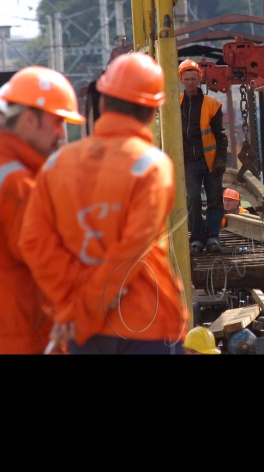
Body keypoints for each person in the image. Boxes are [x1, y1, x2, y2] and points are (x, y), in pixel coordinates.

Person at [19, 53, 188, 355]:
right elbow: (130, 251)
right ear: (152, 113)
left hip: (85, 332)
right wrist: (88, 309)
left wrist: (74, 306)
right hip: (146, 323)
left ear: (102, 103)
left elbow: (34, 242)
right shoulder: (152, 165)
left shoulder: (57, 164)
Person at [0, 67, 85, 354]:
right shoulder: (17, 182)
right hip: (18, 334)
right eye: (57, 122)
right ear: (29, 118)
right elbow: (44, 255)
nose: (62, 133)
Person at [179, 59, 228, 256]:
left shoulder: (212, 105)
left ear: (199, 78)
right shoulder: (175, 104)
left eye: (193, 78)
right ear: (181, 79)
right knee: (193, 200)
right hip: (189, 162)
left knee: (215, 200)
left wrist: (220, 160)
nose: (191, 82)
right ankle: (197, 239)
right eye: (187, 79)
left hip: (209, 161)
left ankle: (212, 237)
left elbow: (220, 136)